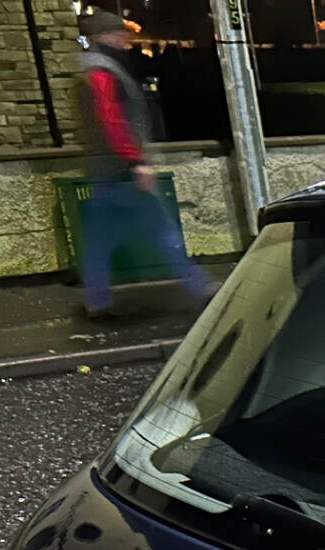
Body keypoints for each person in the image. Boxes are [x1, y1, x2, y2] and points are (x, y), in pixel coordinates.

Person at [74, 12, 213, 319]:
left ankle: (97, 301)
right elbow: (111, 120)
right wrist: (136, 161)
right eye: (119, 34)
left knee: (100, 239)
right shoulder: (102, 71)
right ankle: (199, 288)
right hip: (121, 171)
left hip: (106, 171)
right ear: (105, 37)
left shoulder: (95, 68)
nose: (126, 40)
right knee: (162, 231)